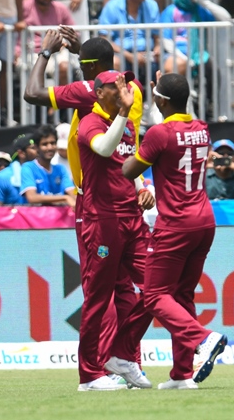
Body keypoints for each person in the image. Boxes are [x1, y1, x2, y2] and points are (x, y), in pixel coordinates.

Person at [24, 31, 146, 373]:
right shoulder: (129, 90)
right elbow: (103, 79)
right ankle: (127, 359)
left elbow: (32, 93)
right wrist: (86, 52)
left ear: (90, 71)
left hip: (95, 200)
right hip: (124, 194)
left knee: (100, 291)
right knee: (126, 292)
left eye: (82, 66)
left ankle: (103, 364)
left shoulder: (87, 96)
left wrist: (46, 53)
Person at [121, 72, 227, 390]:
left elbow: (129, 171)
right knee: (182, 296)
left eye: (156, 94)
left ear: (161, 100)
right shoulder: (202, 129)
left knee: (154, 295)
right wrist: (166, 88)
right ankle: (182, 375)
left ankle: (204, 339)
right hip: (204, 221)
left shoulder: (158, 133)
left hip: (176, 223)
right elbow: (181, 114)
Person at [76, 71, 154, 391]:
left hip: (132, 217)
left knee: (157, 287)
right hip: (102, 219)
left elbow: (128, 162)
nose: (125, 89)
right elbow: (105, 149)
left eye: (126, 83)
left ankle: (121, 355)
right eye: (116, 85)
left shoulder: (129, 124)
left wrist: (141, 187)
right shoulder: (89, 123)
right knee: (98, 299)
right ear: (98, 94)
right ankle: (89, 375)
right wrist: (124, 111)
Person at [160, 0, 231, 75]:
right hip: (175, 54)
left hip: (198, 55)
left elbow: (226, 18)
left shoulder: (199, 10)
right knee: (177, 67)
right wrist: (185, 59)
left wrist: (204, 2)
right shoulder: (170, 11)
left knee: (213, 71)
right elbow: (166, 41)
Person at [98, 0, 160, 81]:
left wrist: (157, 49)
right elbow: (104, 39)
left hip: (148, 55)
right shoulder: (112, 6)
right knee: (115, 62)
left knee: (172, 62)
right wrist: (129, 56)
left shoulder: (152, 5)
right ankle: (118, 97)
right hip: (121, 54)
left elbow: (157, 36)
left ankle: (162, 97)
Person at [16, 0, 75, 85]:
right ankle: (36, 102)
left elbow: (74, 32)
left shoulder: (61, 8)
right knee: (33, 71)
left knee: (64, 67)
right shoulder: (23, 8)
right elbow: (16, 34)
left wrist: (65, 43)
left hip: (57, 51)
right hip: (31, 53)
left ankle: (62, 101)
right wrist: (17, 52)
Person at [20, 123, 75, 206]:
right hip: (34, 218)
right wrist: (65, 198)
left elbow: (72, 194)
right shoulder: (28, 168)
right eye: (45, 144)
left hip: (58, 218)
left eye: (53, 143)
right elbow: (32, 197)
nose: (50, 148)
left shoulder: (61, 169)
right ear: (37, 147)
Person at [0, 134, 38, 206]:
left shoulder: (46, 172)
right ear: (21, 153)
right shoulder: (1, 177)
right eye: (33, 148)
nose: (38, 150)